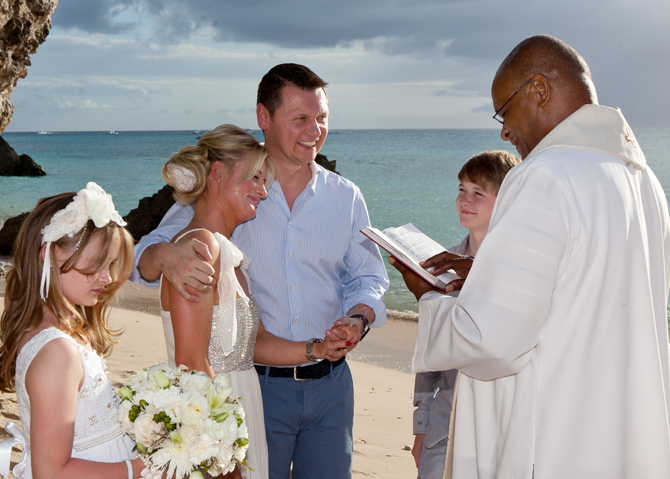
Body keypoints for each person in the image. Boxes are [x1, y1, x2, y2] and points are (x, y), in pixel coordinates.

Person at [392, 35, 670, 478]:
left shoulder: (543, 175)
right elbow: (581, 292)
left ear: (538, 89)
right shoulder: (643, 181)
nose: (504, 130)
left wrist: (429, 296)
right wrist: (486, 275)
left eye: (504, 110)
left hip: (551, 441)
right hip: (616, 432)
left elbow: (492, 340)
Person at [131, 64, 389, 479]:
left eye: (322, 118)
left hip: (331, 387)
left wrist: (358, 318)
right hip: (257, 386)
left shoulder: (346, 196)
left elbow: (368, 277)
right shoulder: (235, 183)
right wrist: (165, 256)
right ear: (263, 117)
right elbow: (141, 256)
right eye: (301, 118)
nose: (315, 130)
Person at [159, 124, 350, 479]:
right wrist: (222, 460)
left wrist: (319, 349)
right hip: (214, 430)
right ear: (217, 174)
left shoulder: (229, 254)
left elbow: (255, 344)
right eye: (255, 178)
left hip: (242, 416)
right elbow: (191, 363)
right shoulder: (200, 248)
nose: (263, 191)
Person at [0, 183, 148, 479]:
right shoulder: (57, 352)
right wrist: (139, 469)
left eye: (111, 265)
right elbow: (52, 472)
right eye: (94, 266)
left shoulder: (57, 334)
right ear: (50, 255)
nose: (106, 278)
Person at [411, 150, 519, 479]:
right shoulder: (444, 264)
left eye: (478, 193)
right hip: (444, 424)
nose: (464, 200)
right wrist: (420, 427)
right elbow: (431, 355)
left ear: (506, 200)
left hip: (501, 428)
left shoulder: (520, 270)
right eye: (461, 189)